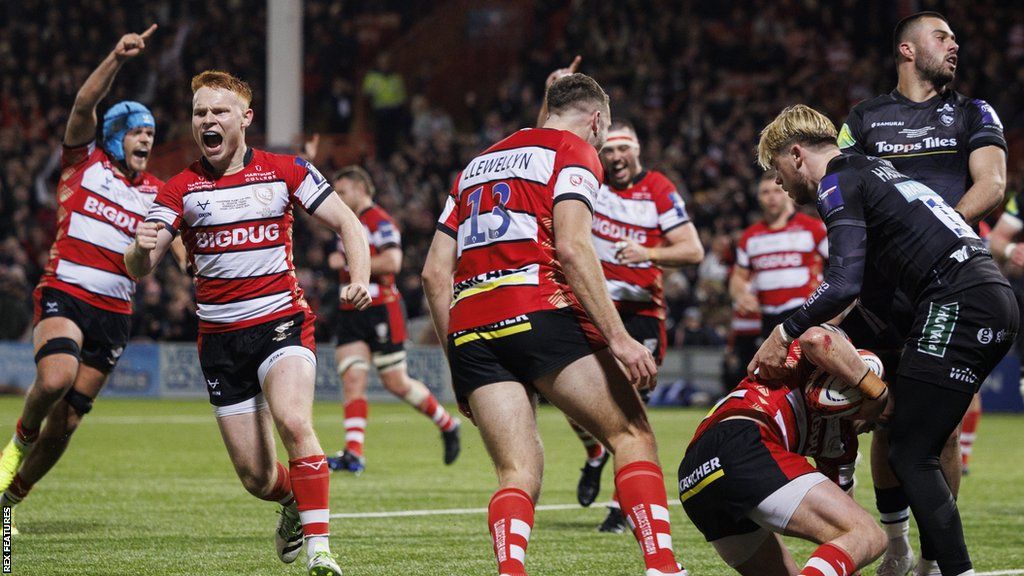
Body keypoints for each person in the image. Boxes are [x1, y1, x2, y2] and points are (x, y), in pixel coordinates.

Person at [422, 73, 688, 576]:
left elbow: (434, 274)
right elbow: (571, 245)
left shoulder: (475, 166)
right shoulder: (574, 151)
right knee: (632, 435)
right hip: (541, 310)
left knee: (517, 472)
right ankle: (662, 566)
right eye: (603, 135)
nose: (602, 146)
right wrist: (620, 338)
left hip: (473, 330)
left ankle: (512, 570)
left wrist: (458, 365)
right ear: (596, 120)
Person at [751, 104, 1017, 576]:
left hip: (959, 301)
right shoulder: (874, 171)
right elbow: (872, 299)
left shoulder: (836, 181)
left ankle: (952, 570)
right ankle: (924, 561)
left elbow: (842, 283)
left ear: (795, 155)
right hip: (980, 295)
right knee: (906, 436)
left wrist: (784, 333)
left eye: (776, 172)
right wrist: (836, 351)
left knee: (912, 452)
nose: (779, 186)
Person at [125, 70, 371, 576]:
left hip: (281, 321)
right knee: (256, 478)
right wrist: (138, 247)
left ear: (245, 118)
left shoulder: (286, 170)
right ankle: (290, 503)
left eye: (218, 111)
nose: (207, 120)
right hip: (218, 339)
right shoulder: (180, 188)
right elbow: (140, 265)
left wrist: (360, 277)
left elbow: (349, 222)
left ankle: (321, 553)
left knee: (295, 421)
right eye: (199, 113)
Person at [836, 12, 1007, 574]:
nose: (955, 45)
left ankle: (935, 557)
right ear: (907, 50)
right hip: (884, 295)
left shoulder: (974, 112)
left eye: (957, 37)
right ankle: (898, 543)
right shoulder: (863, 119)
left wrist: (934, 233)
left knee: (939, 428)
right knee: (885, 415)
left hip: (947, 284)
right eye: (942, 37)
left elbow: (993, 184)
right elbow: (839, 188)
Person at [0, 25, 184, 533]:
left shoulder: (158, 192)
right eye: (137, 131)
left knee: (70, 422)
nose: (146, 139)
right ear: (115, 135)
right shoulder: (85, 163)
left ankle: (11, 497)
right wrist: (116, 58)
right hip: (66, 294)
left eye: (151, 133)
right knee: (55, 380)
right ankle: (19, 437)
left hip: (114, 316)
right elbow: (84, 105)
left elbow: (182, 247)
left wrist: (196, 269)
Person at [538, 58, 705, 531]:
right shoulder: (586, 178)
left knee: (630, 400)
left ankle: (619, 506)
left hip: (640, 312)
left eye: (624, 149)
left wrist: (648, 251)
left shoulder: (658, 189)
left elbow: (692, 250)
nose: (615, 157)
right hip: (590, 305)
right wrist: (555, 92)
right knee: (570, 398)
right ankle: (594, 451)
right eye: (609, 148)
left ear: (637, 150)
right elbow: (543, 146)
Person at [681, 324, 888, 575]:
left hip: (694, 474)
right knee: (871, 535)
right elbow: (814, 338)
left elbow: (845, 528)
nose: (875, 425)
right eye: (879, 419)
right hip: (744, 440)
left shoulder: (841, 442)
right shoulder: (833, 359)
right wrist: (878, 393)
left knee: (854, 536)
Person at [324, 166, 460, 474]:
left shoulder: (379, 222)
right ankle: (354, 454)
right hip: (351, 310)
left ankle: (448, 424)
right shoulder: (345, 224)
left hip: (381, 308)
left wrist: (347, 261)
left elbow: (393, 261)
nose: (339, 198)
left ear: (361, 189)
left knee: (395, 382)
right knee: (352, 378)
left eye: (343, 192)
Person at [730, 170, 827, 341]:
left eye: (776, 191)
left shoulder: (814, 228)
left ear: (788, 193)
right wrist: (741, 296)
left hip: (806, 314)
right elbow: (739, 276)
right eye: (765, 192)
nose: (771, 197)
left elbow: (842, 265)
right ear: (758, 197)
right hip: (767, 318)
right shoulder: (750, 237)